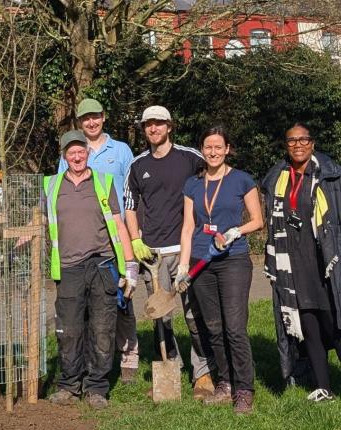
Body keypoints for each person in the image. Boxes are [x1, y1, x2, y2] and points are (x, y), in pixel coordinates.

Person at [124, 105, 216, 400]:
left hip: (186, 250)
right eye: (149, 125)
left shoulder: (190, 158)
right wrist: (135, 239)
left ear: (170, 126)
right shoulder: (137, 165)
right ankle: (170, 370)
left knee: (193, 314)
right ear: (144, 129)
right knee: (161, 317)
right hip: (153, 255)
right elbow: (129, 206)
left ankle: (202, 373)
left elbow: (217, 176)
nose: (154, 129)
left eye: (159, 124)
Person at [45, 130, 138, 409]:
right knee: (69, 329)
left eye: (80, 151)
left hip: (102, 264)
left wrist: (130, 264)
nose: (76, 156)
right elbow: (41, 221)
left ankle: (97, 387)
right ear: (64, 156)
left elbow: (119, 224)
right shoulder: (50, 186)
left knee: (102, 327)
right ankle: (70, 384)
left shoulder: (103, 182)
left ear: (87, 153)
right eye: (70, 152)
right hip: (69, 268)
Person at [178, 126, 263, 414]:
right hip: (201, 262)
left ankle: (244, 389)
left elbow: (257, 220)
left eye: (218, 147)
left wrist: (236, 232)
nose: (213, 152)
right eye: (208, 147)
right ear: (202, 150)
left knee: (235, 328)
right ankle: (225, 383)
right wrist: (182, 266)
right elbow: (188, 227)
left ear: (227, 149)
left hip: (233, 260)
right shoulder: (192, 184)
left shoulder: (241, 180)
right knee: (213, 328)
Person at [59, 99, 140, 383]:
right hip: (77, 249)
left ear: (103, 118)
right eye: (85, 119)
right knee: (84, 314)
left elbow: (132, 190)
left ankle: (129, 355)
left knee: (121, 303)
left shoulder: (120, 150)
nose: (91, 122)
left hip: (114, 239)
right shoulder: (73, 152)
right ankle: (79, 370)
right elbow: (58, 200)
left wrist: (134, 239)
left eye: (95, 117)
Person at [262, 123, 341, 400]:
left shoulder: (330, 176)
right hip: (293, 263)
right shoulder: (277, 178)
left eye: (303, 140)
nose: (298, 145)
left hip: (325, 262)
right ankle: (323, 387)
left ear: (312, 143)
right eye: (292, 141)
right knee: (309, 326)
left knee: (334, 323)